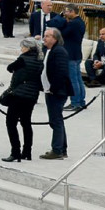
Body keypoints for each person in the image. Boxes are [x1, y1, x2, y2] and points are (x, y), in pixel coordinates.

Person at [1, 38, 46, 162]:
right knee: (26, 123)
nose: (21, 49)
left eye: (22, 47)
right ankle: (27, 151)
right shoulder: (39, 60)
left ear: (28, 48)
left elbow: (10, 68)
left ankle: (15, 151)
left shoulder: (23, 59)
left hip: (19, 95)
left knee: (11, 123)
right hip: (32, 96)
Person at [41, 28, 73, 159]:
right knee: (56, 120)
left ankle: (57, 150)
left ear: (55, 38)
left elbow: (61, 73)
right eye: (44, 36)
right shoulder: (48, 50)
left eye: (47, 36)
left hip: (57, 92)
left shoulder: (59, 51)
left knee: (56, 121)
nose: (44, 38)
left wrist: (53, 89)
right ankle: (61, 148)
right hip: (50, 90)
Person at [57, 4, 86, 106]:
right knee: (78, 79)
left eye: (66, 12)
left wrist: (60, 19)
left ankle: (75, 102)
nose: (65, 14)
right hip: (77, 53)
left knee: (73, 80)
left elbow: (61, 34)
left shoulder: (73, 23)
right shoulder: (81, 21)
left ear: (72, 11)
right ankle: (81, 101)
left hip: (70, 54)